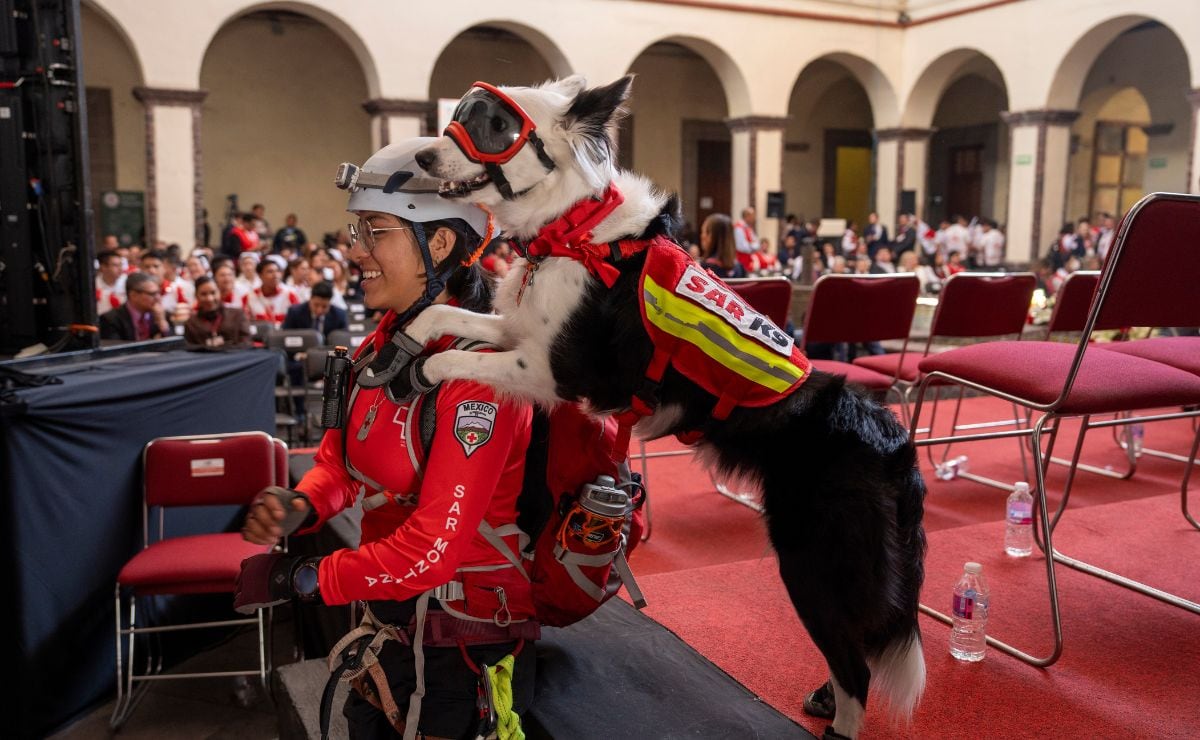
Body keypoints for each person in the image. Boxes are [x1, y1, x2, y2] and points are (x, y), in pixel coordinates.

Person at [234, 136, 537, 739]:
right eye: (357, 233)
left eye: (377, 232)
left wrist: (312, 578)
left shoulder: (480, 374)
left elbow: (434, 551)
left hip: (458, 642)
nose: (357, 252)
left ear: (442, 243)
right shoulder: (386, 345)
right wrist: (306, 502)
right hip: (389, 621)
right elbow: (342, 464)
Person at [184, 276, 252, 349]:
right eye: (203, 294)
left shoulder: (238, 315)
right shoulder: (191, 324)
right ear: (196, 296)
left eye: (213, 293)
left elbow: (246, 343)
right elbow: (190, 350)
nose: (209, 299)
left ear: (219, 293)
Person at [99, 272, 171, 341]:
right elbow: (115, 350)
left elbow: (174, 347)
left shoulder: (162, 315)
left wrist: (162, 323)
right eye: (152, 294)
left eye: (158, 293)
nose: (158, 298)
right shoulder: (110, 320)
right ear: (133, 295)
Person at [243, 255, 300, 325]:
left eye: (278, 271)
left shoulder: (290, 295)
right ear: (260, 275)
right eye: (270, 272)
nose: (275, 275)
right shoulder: (249, 297)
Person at [282, 280, 347, 341]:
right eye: (316, 305)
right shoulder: (295, 312)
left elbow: (342, 341)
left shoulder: (339, 315)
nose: (319, 310)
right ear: (310, 299)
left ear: (330, 303)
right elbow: (285, 337)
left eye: (324, 306)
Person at [698, 213, 746, 279]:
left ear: (711, 237)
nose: (702, 236)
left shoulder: (703, 269)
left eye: (703, 232)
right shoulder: (740, 268)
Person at [95, 249, 127, 315]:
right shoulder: (94, 285)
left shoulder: (127, 282)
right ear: (103, 267)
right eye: (116, 265)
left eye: (121, 265)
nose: (121, 269)